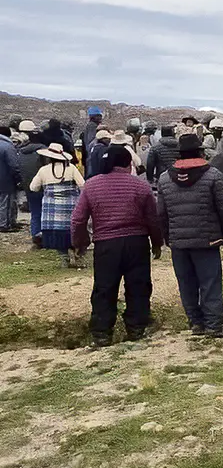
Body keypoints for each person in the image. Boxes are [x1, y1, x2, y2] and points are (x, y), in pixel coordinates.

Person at [71, 146, 163, 347]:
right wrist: (157, 243)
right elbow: (153, 219)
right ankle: (136, 329)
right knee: (138, 286)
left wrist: (81, 243)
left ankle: (102, 333)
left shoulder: (91, 185)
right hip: (136, 243)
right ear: (129, 163)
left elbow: (78, 220)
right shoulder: (140, 186)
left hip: (106, 244)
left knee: (104, 288)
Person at [157, 134, 223, 338]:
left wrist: (168, 237)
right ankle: (214, 325)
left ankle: (195, 323)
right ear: (200, 152)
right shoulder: (213, 175)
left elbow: (161, 213)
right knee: (209, 283)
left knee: (186, 283)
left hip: (178, 242)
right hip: (207, 240)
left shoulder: (165, 178)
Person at [30, 143, 85, 266]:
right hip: (70, 205)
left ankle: (64, 257)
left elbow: (33, 187)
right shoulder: (71, 168)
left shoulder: (43, 170)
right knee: (73, 230)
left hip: (52, 208)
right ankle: (77, 255)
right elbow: (83, 185)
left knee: (57, 233)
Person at [17, 121, 47, 245]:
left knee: (35, 212)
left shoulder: (21, 152)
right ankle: (44, 236)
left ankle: (35, 234)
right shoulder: (44, 151)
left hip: (27, 186)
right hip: (42, 186)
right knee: (45, 212)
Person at [0, 125, 22, 232]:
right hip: (5, 179)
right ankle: (5, 224)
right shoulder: (8, 147)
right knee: (6, 202)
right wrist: (18, 178)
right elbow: (13, 165)